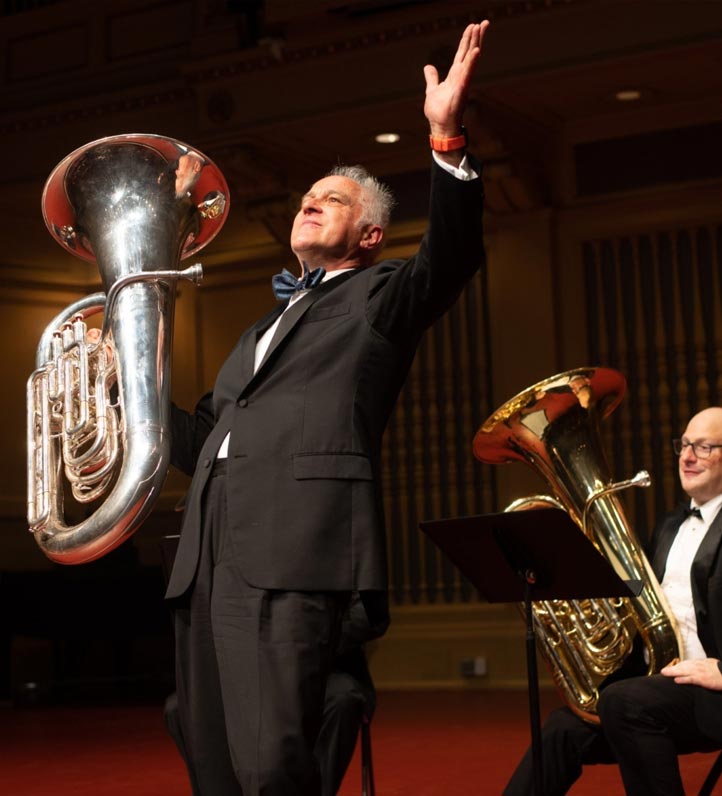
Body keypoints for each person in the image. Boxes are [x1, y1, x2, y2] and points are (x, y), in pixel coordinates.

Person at [164, 20, 490, 796]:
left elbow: (450, 258)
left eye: (332, 200)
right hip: (207, 559)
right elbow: (206, 441)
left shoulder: (382, 298)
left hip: (292, 548)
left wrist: (445, 141)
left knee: (273, 762)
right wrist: (125, 390)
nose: (310, 204)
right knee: (211, 763)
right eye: (306, 198)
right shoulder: (253, 334)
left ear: (371, 233)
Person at [504, 406, 722, 796]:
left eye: (703, 447)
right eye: (684, 445)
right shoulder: (670, 526)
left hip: (716, 693)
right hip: (664, 686)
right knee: (561, 729)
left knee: (625, 702)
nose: (687, 457)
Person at [163, 592, 381, 796]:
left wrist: (306, 641)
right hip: (257, 674)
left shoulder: (340, 553)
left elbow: (368, 616)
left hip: (327, 670)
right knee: (179, 708)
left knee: (343, 700)